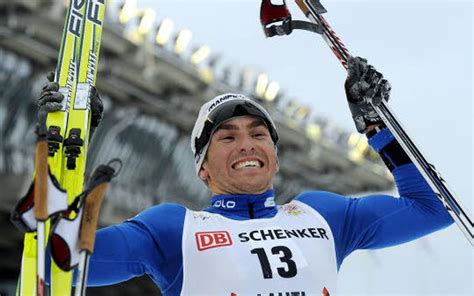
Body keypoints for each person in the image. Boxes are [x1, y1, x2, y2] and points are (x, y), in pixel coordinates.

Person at [40, 57, 453, 295]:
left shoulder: (320, 214)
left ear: (274, 157)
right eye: (227, 137)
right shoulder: (174, 228)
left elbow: (433, 209)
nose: (247, 144)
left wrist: (378, 126)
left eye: (259, 134)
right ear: (202, 166)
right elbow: (62, 261)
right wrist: (61, 153)